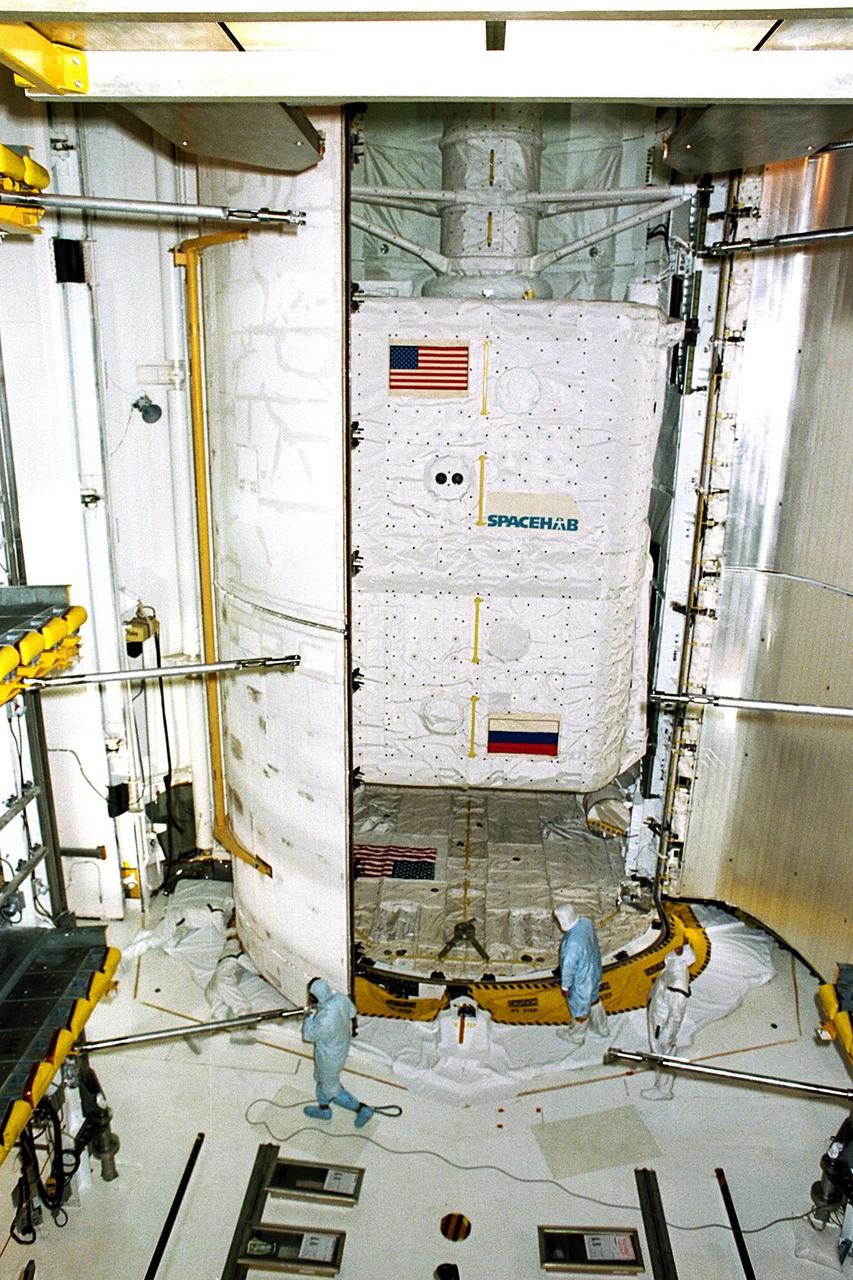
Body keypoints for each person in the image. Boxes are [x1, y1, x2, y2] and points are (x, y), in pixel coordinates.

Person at [302, 977, 374, 1127]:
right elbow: (352, 1013)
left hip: (329, 1056)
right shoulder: (340, 998)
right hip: (340, 1046)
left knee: (331, 1090)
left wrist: (309, 1017)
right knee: (321, 1079)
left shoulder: (325, 1019)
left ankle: (362, 1109)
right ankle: (324, 1110)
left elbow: (308, 1036)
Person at [642, 942, 696, 1100]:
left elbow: (676, 1015)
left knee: (664, 1053)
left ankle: (663, 1090)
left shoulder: (679, 983)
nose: (676, 948)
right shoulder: (674, 965)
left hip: (663, 1023)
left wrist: (668, 1035)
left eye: (680, 948)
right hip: (658, 1015)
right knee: (659, 1049)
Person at [554, 903, 608, 1048]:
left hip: (581, 979)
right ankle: (601, 1027)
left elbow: (568, 967)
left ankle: (577, 1035)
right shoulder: (585, 922)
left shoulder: (570, 943)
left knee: (580, 1008)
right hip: (594, 969)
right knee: (594, 998)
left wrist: (565, 986)